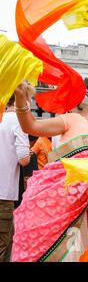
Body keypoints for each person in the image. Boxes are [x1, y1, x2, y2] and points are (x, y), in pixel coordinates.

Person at [11, 26, 88, 262]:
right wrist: (22, 98)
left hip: (77, 212)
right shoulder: (72, 120)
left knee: (70, 256)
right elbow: (31, 127)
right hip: (44, 202)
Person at [0, 95, 30, 262]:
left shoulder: (1, 117)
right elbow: (24, 158)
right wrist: (29, 152)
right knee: (3, 244)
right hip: (4, 192)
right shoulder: (18, 121)